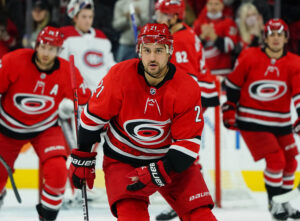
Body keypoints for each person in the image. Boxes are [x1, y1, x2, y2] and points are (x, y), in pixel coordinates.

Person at [69, 23, 217, 221]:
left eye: (159, 50)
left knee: (201, 217)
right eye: (147, 50)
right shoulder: (119, 76)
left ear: (170, 51)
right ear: (139, 51)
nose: (152, 57)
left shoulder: (187, 87)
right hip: (123, 159)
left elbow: (187, 146)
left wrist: (159, 170)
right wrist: (83, 157)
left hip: (168, 160)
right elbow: (92, 120)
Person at [0, 26, 91, 220]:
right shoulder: (13, 61)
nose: (46, 53)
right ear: (36, 46)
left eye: (52, 49)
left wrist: (82, 107)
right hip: (6, 129)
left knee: (57, 171)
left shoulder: (68, 71)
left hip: (45, 128)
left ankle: (47, 217)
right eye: (43, 47)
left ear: (59, 51)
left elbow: (86, 100)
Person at [222, 18, 300, 221]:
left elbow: (299, 93)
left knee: (290, 163)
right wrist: (229, 108)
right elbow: (232, 84)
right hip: (251, 120)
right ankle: (274, 203)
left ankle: (284, 202)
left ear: (285, 38)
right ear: (265, 38)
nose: (276, 38)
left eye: (280, 35)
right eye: (272, 34)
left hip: (281, 123)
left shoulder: (295, 62)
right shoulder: (249, 56)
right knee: (276, 160)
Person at [59, 0, 115, 91]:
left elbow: (110, 64)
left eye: (90, 17)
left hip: (101, 91)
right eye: (84, 17)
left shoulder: (102, 37)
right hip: (79, 91)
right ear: (75, 18)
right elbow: (62, 65)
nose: (87, 20)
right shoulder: (65, 36)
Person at [193, 0, 238, 76]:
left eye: (216, 4)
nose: (213, 7)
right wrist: (202, 37)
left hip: (223, 71)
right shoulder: (198, 23)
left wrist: (213, 36)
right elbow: (192, 49)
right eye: (210, 4)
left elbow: (230, 46)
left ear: (222, 6)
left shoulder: (229, 22)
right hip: (203, 72)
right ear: (206, 6)